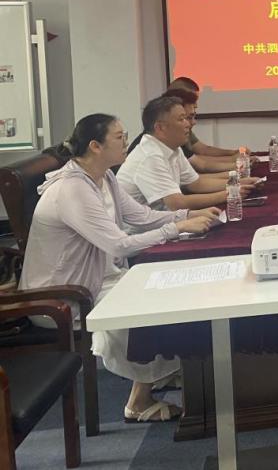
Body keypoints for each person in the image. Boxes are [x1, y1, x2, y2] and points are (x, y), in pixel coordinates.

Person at [20, 114, 220, 422]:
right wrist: (177, 228)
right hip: (63, 294)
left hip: (98, 276)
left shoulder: (103, 177)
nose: (127, 142)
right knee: (151, 300)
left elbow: (140, 216)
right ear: (95, 146)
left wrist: (187, 215)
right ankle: (138, 401)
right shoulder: (72, 189)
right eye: (119, 137)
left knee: (171, 285)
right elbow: (119, 245)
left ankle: (168, 371)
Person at [117, 96, 255, 210]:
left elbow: (196, 183)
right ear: (160, 128)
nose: (188, 124)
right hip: (142, 231)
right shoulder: (149, 156)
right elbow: (177, 203)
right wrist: (229, 193)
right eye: (181, 119)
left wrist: (238, 183)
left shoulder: (173, 148)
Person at [167, 77, 239, 161]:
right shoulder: (173, 128)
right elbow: (199, 163)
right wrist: (234, 159)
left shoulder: (184, 125)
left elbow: (202, 149)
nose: (196, 105)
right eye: (192, 100)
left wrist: (233, 153)